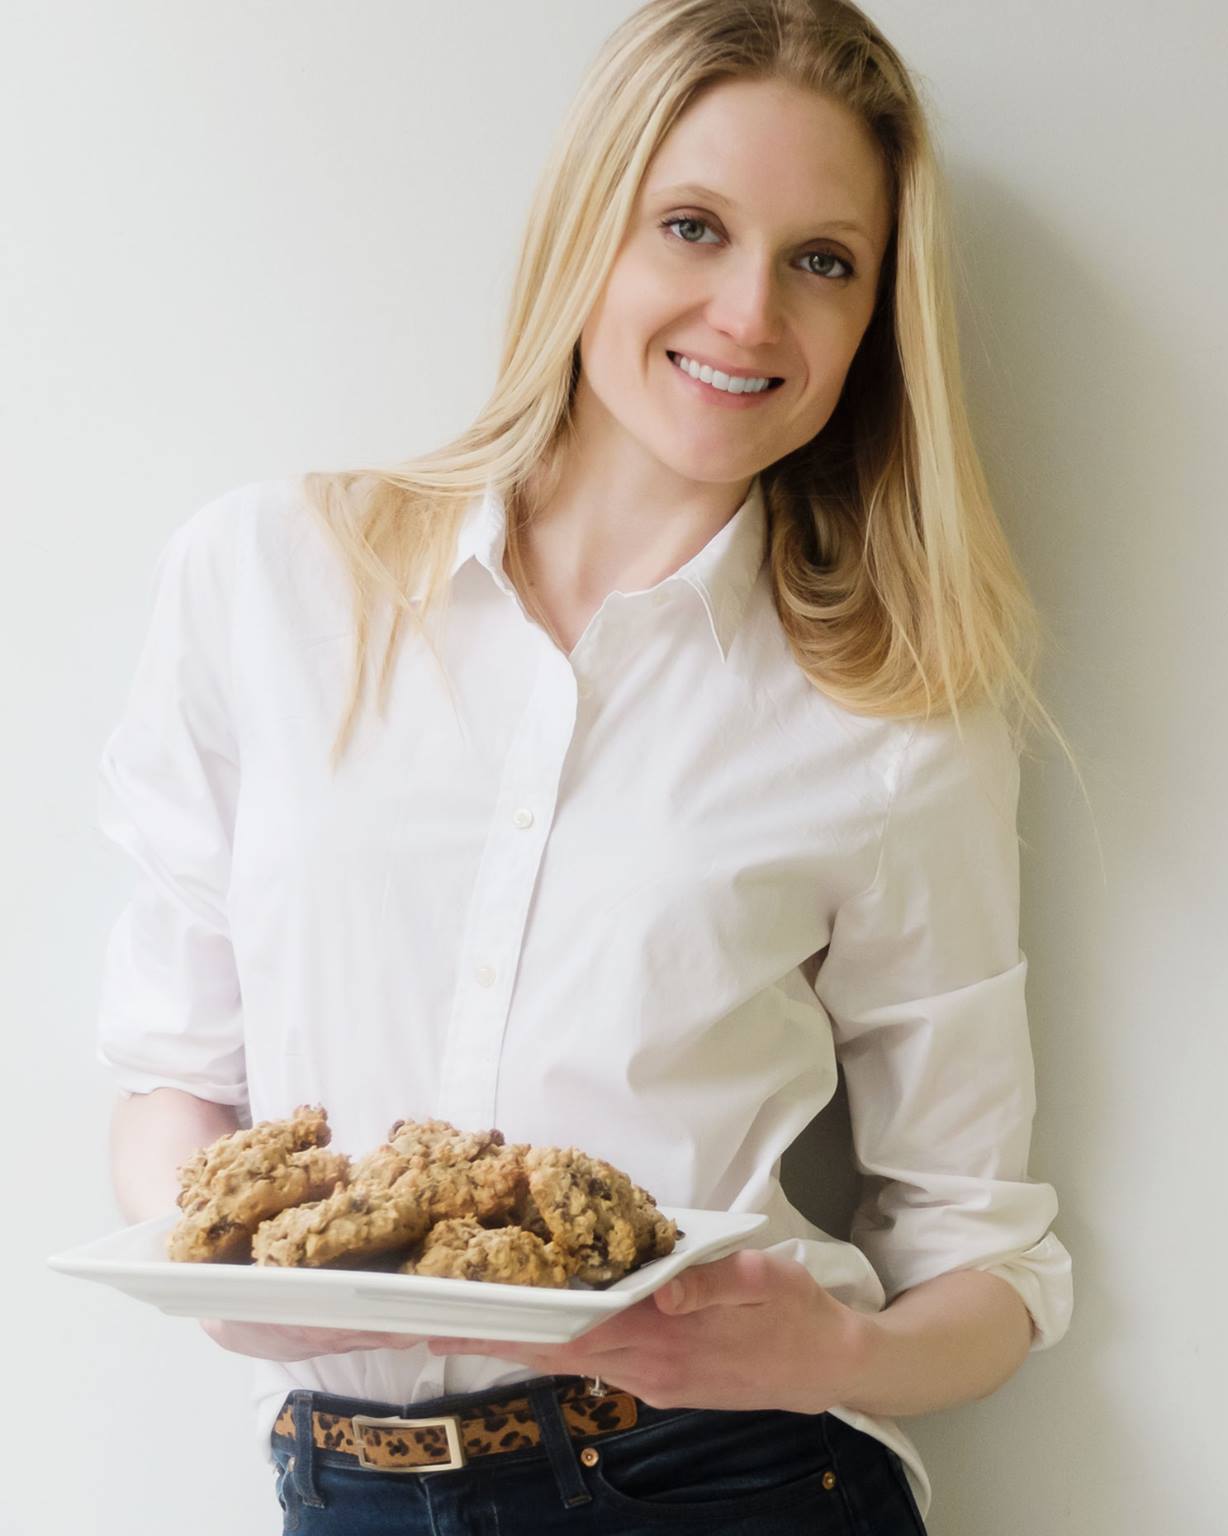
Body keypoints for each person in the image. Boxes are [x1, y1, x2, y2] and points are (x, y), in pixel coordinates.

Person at [97, 1, 1079, 1529]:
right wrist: (214, 1261)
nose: (751, 313)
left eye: (825, 261)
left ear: (876, 318)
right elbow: (176, 1079)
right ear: (587, 230)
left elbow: (991, 1263)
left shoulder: (890, 715)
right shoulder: (268, 581)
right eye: (693, 226)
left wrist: (842, 1345)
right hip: (345, 1488)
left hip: (722, 1481)